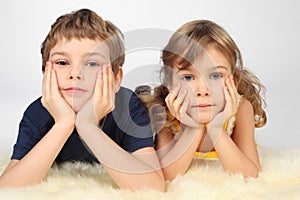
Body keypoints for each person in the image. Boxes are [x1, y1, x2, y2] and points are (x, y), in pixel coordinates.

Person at [0, 8, 164, 191]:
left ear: (116, 79)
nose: (75, 74)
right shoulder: (37, 113)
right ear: (45, 73)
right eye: (62, 63)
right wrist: (63, 123)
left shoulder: (128, 107)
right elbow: (8, 187)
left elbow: (153, 187)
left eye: (92, 63)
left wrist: (88, 126)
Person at [138, 19, 267, 180]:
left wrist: (216, 128)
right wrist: (194, 128)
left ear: (232, 81)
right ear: (170, 82)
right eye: (188, 77)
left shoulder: (241, 108)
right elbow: (166, 176)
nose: (203, 90)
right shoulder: (165, 111)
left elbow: (251, 175)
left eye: (215, 75)